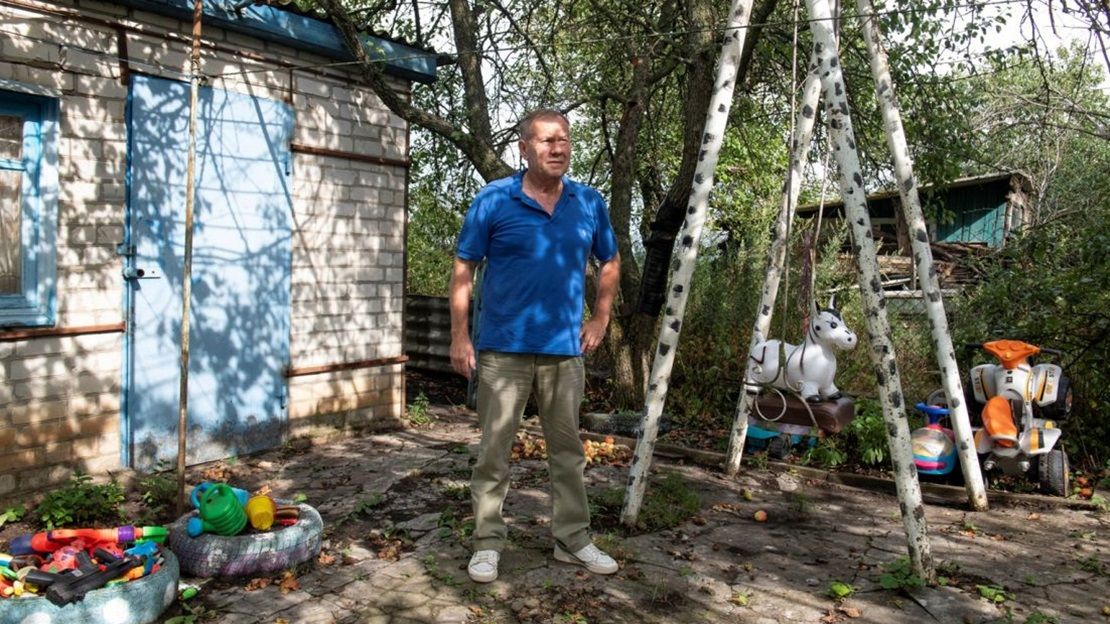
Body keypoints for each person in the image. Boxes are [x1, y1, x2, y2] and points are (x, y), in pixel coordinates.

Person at [450, 108, 622, 584]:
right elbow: (464, 269)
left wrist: (601, 317)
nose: (558, 148)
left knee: (567, 452)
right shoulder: (494, 200)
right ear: (523, 148)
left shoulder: (588, 203)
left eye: (564, 139)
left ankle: (573, 539)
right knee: (494, 451)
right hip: (503, 349)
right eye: (546, 141)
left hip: (565, 351)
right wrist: (460, 336)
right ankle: (487, 543)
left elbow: (610, 260)